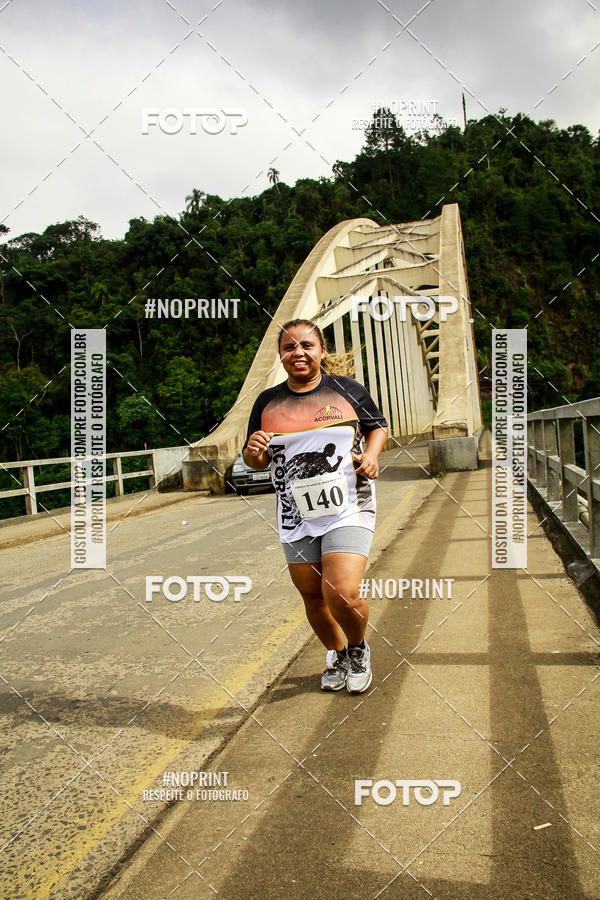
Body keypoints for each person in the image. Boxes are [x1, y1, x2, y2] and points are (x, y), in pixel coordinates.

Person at [242, 319, 388, 693]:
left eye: (307, 345)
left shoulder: (348, 390)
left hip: (348, 504)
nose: (299, 353)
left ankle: (357, 648)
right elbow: (255, 460)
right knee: (312, 595)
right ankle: (337, 653)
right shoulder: (267, 402)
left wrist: (371, 455)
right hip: (295, 513)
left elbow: (378, 426)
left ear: (322, 351)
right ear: (281, 356)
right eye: (290, 347)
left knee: (341, 592)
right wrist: (254, 452)